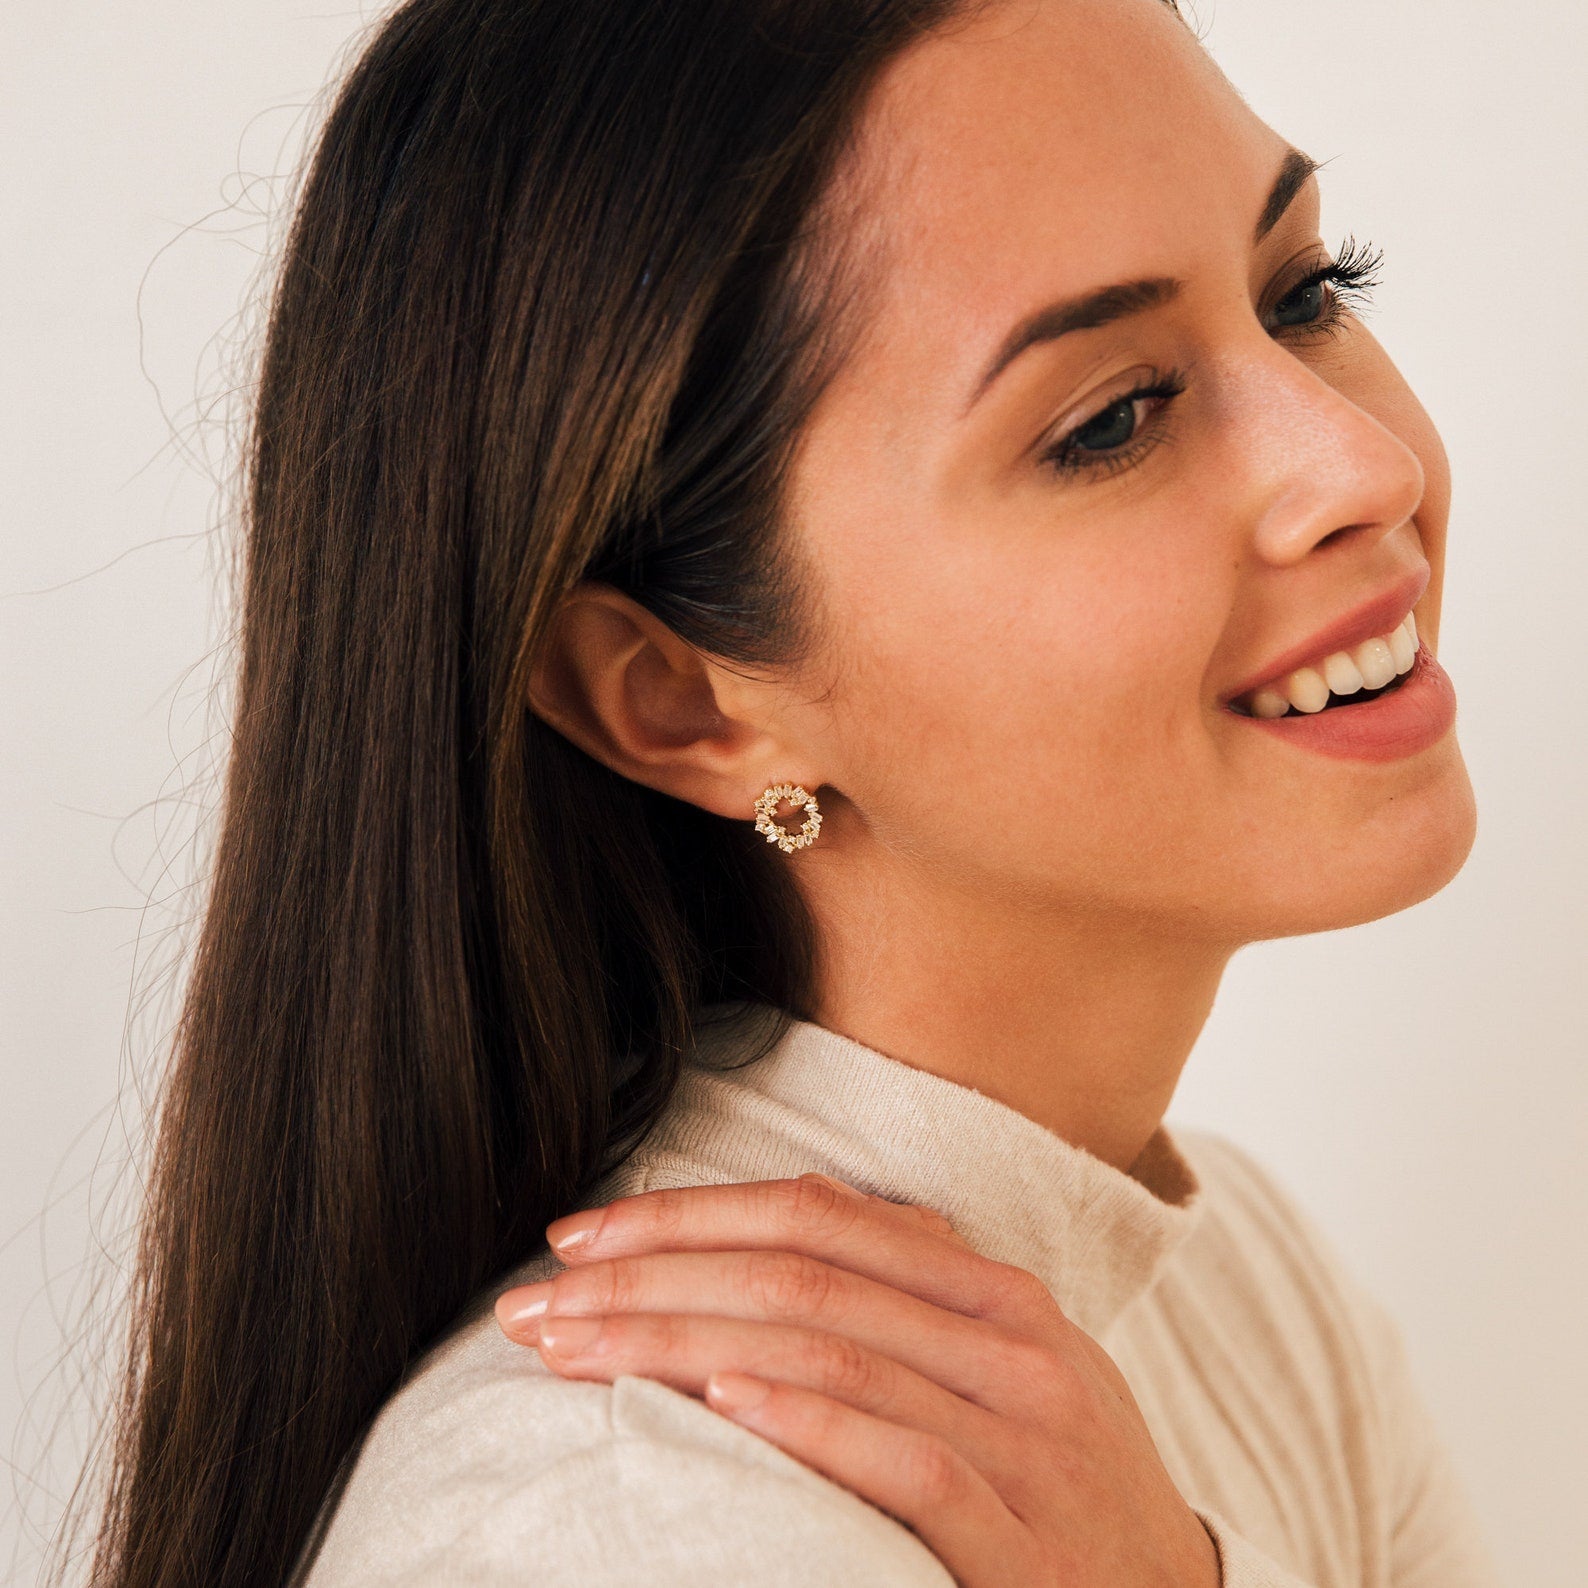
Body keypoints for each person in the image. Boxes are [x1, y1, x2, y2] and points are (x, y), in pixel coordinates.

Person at [81, 0, 1499, 1584]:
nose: (1364, 468)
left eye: (1305, 290)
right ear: (682, 700)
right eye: (1110, 420)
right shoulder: (624, 1530)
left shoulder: (1241, 1293)